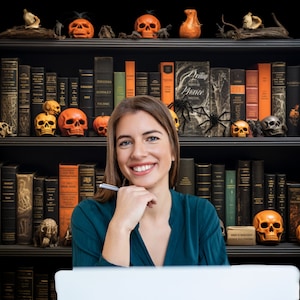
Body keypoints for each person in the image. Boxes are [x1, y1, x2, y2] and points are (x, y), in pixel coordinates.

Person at [71, 95, 229, 267]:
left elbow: (218, 292)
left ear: (173, 150)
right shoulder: (88, 215)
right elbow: (92, 294)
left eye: (152, 138)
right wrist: (120, 227)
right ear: (115, 155)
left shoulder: (201, 214)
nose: (138, 153)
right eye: (125, 142)